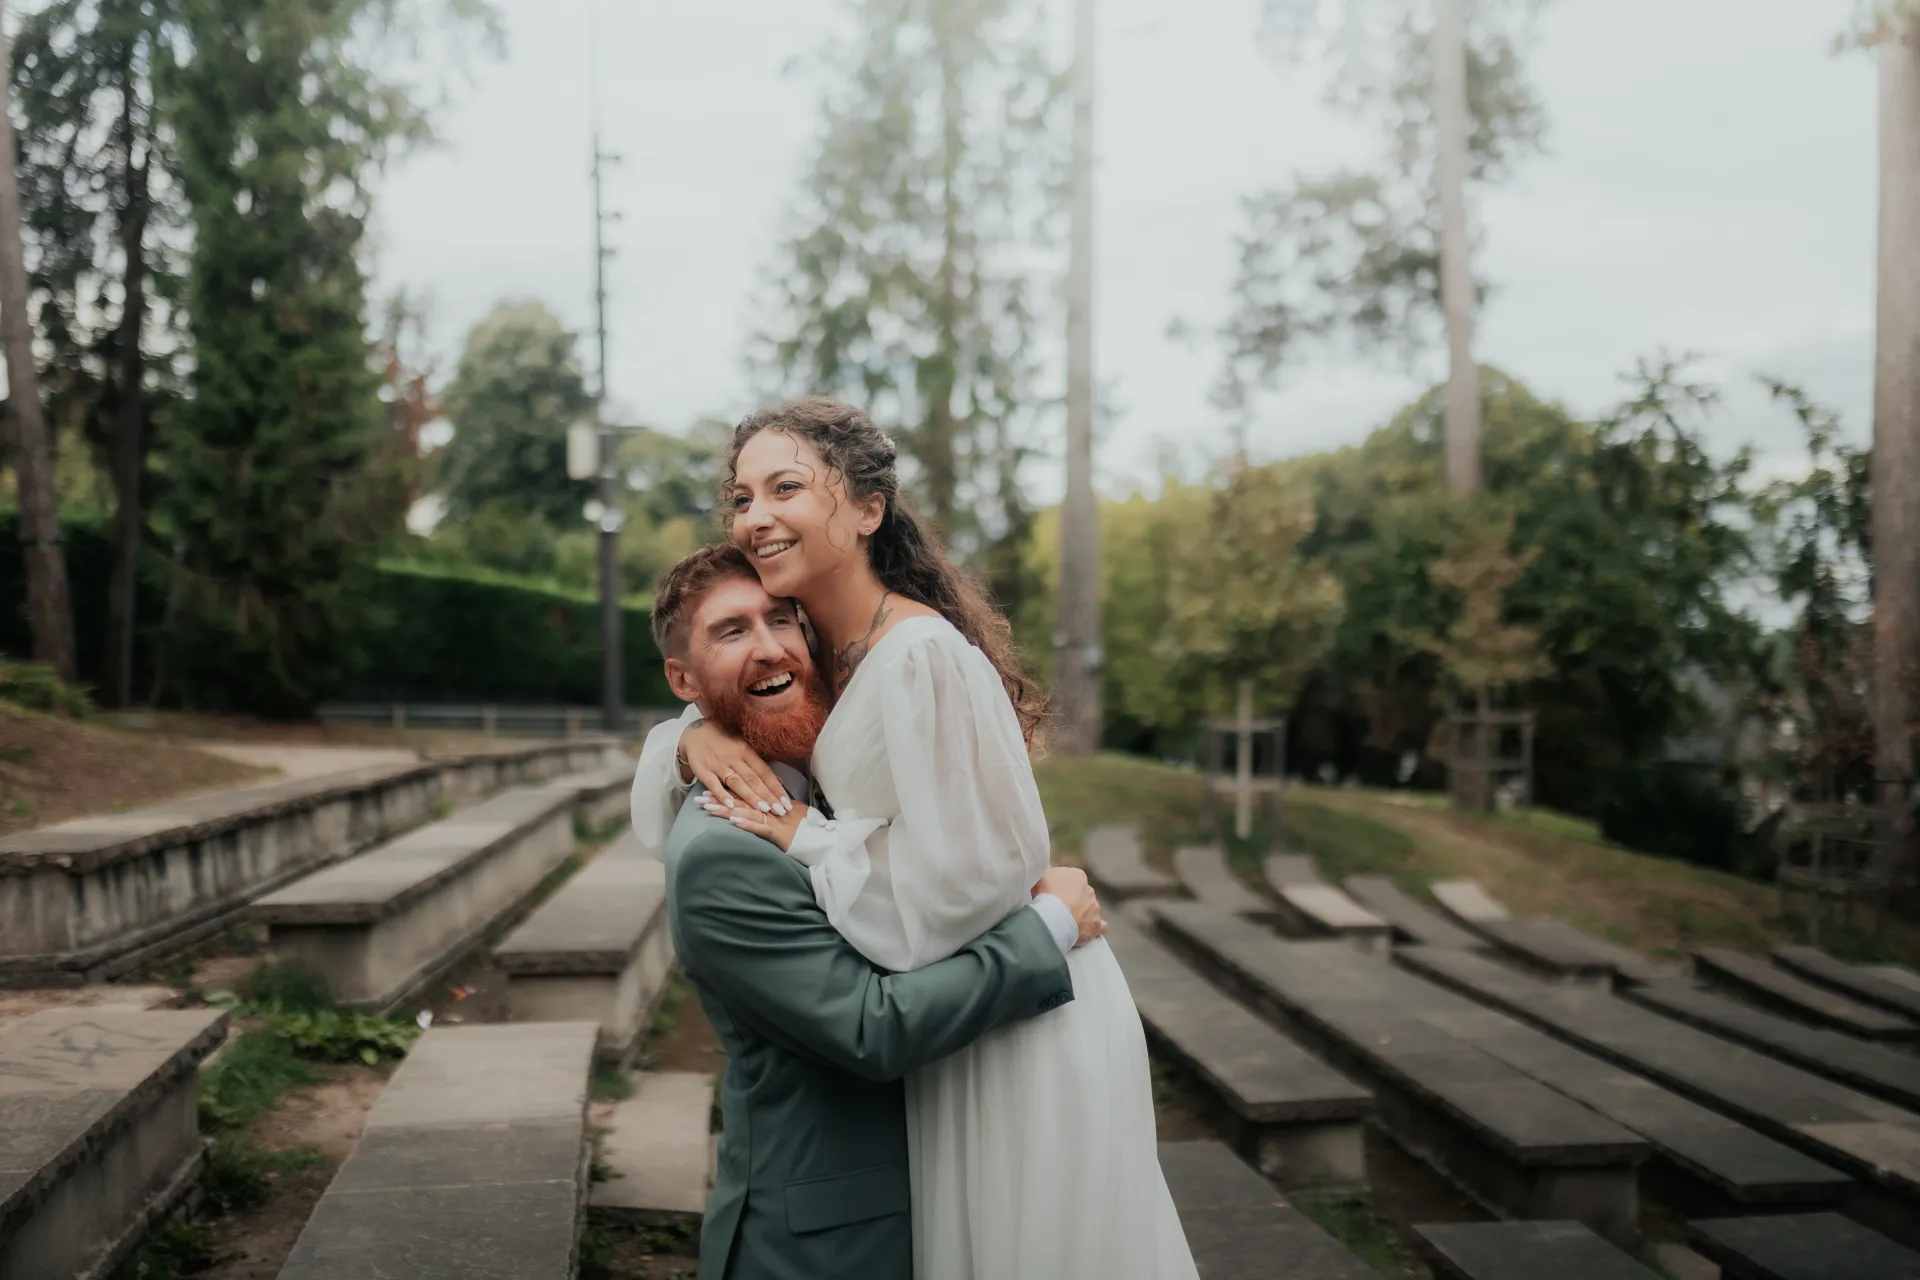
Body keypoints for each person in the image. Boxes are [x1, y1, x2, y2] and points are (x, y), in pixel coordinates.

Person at [632, 397, 1198, 1280]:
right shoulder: (824, 643)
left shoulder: (919, 655)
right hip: (966, 1019)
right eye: (742, 497)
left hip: (1017, 1019)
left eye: (786, 487)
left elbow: (959, 897)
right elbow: (742, 693)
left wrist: (806, 840)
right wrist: (684, 737)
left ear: (868, 508)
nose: (755, 516)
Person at [649, 542, 1106, 1280]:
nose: (769, 647)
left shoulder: (819, 777)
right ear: (682, 678)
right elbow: (872, 1027)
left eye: (782, 620)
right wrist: (1049, 928)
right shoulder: (721, 856)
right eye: (732, 632)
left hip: (932, 1188)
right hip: (822, 1246)